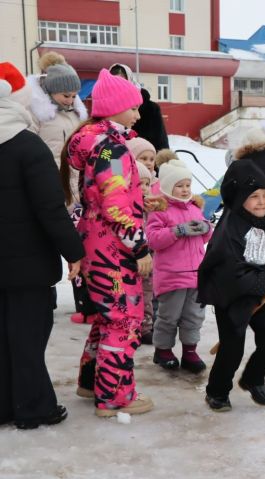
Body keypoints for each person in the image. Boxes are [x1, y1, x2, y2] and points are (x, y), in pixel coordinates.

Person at [61, 68, 154, 416]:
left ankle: (90, 382)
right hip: (113, 250)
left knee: (106, 318)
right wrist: (140, 246)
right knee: (124, 320)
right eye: (133, 107)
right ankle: (114, 396)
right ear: (115, 108)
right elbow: (117, 207)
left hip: (96, 244)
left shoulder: (97, 144)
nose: (138, 114)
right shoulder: (111, 150)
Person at [0, 61, 85, 429]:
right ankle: (34, 407)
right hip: (27, 265)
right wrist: (75, 252)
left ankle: (5, 405)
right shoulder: (27, 145)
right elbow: (50, 208)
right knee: (28, 338)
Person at [198, 160, 265, 412]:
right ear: (239, 197)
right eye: (253, 196)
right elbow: (231, 272)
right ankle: (217, 391)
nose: (261, 202)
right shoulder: (229, 228)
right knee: (232, 348)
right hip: (235, 297)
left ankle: (254, 378)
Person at [27, 52, 92, 324]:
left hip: (74, 184)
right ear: (51, 91)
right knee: (46, 237)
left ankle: (85, 300)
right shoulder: (36, 114)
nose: (71, 99)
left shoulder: (75, 114)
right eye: (65, 95)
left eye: (74, 95)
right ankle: (47, 289)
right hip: (47, 183)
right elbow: (29, 147)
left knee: (76, 241)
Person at [146, 159, 212, 372]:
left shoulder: (194, 208)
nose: (185, 190)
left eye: (187, 185)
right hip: (172, 275)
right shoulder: (160, 210)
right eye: (180, 186)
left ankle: (190, 351)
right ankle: (163, 350)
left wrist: (206, 228)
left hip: (196, 274)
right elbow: (154, 239)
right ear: (167, 187)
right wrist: (177, 231)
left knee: (194, 316)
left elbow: (202, 239)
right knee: (169, 316)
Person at [108, 63, 169, 151]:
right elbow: (114, 159)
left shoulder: (151, 109)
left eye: (135, 109)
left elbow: (161, 145)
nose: (138, 116)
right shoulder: (104, 120)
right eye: (115, 84)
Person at [135, 160, 159, 345]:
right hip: (130, 260)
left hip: (149, 260)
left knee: (147, 293)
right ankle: (132, 327)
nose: (143, 188)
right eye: (139, 183)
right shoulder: (125, 208)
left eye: (147, 184)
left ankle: (145, 327)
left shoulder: (152, 206)